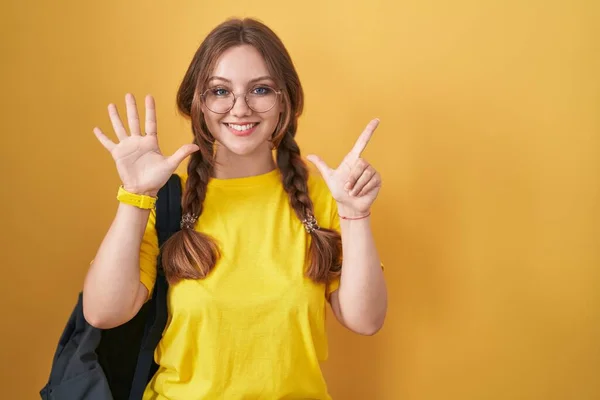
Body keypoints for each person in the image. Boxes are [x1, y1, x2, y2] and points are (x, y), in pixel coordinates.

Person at [83, 17, 387, 400]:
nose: (240, 108)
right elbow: (103, 313)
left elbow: (365, 319)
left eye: (260, 89)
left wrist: (356, 215)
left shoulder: (322, 198)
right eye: (219, 91)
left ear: (285, 102)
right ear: (198, 104)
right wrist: (136, 193)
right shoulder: (166, 201)